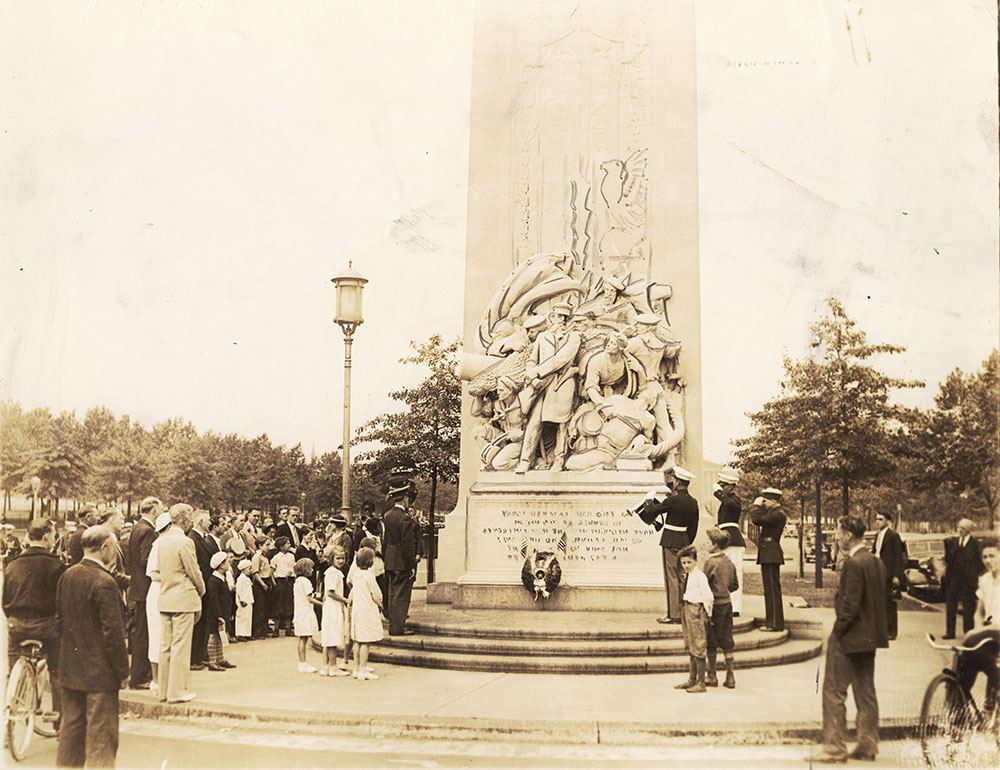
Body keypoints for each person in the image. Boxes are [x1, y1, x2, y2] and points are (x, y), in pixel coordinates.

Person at [814, 515, 889, 763]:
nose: (835, 537)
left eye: (837, 532)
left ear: (847, 535)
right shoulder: (875, 562)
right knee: (866, 693)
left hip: (848, 638)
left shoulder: (853, 564)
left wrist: (837, 631)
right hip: (869, 639)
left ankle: (834, 747)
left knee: (834, 692)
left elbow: (849, 605)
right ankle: (868, 745)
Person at [55, 525, 129, 768]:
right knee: (101, 736)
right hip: (100, 672)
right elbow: (113, 633)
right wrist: (122, 670)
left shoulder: (68, 575)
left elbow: (59, 622)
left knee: (71, 732)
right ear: (105, 548)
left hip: (71, 668)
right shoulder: (105, 582)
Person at [3, 518, 66, 718]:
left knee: (13, 666)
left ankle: (10, 712)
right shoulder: (56, 565)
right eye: (54, 535)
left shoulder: (12, 565)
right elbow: (61, 603)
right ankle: (58, 719)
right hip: (46, 626)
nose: (55, 539)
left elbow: (5, 601)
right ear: (47, 536)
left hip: (17, 625)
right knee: (57, 671)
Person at [516, 303, 583, 473]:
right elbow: (532, 359)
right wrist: (531, 373)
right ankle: (525, 460)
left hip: (563, 382)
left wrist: (537, 372)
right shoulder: (542, 337)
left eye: (565, 317)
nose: (561, 320)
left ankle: (559, 461)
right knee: (535, 422)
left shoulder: (573, 337)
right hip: (541, 385)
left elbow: (561, 359)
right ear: (551, 317)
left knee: (561, 423)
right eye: (558, 316)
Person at [156, 504, 205, 704]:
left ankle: (164, 690)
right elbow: (193, 571)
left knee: (165, 646)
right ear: (185, 520)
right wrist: (201, 590)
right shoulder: (185, 542)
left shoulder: (161, 541)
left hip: (166, 596)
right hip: (183, 599)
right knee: (180, 647)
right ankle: (177, 691)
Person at [640, 466, 699, 624]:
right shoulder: (693, 502)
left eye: (674, 481)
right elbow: (694, 526)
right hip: (684, 540)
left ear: (678, 482)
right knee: (682, 577)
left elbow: (652, 511)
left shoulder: (672, 500)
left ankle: (673, 615)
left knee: (671, 578)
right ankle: (683, 612)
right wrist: (687, 541)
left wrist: (648, 499)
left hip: (670, 540)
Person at [126, 496, 161, 690]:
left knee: (141, 632)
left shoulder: (137, 528)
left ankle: (140, 675)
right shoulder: (148, 531)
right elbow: (146, 560)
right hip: (146, 589)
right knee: (144, 634)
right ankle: (139, 677)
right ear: (154, 510)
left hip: (138, 588)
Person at [672, 545, 712, 694]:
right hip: (686, 609)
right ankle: (692, 679)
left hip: (696, 610)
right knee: (690, 645)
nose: (686, 565)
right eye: (684, 563)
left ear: (695, 561)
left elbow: (708, 596)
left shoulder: (700, 576)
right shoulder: (688, 576)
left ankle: (701, 682)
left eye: (689, 562)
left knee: (698, 645)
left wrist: (707, 614)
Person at [703, 527, 739, 689]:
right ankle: (730, 675)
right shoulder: (729, 563)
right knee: (727, 639)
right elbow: (735, 585)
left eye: (709, 542)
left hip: (713, 606)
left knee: (711, 640)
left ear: (715, 544)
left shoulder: (710, 563)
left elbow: (704, 586)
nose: (706, 544)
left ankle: (712, 675)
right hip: (727, 604)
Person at [383, 484, 419, 635]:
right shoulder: (405, 519)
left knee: (392, 593)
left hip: (390, 559)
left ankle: (393, 624)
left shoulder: (387, 515)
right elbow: (407, 544)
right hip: (401, 561)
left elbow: (386, 540)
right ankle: (398, 628)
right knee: (401, 595)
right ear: (405, 499)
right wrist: (411, 565)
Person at [749, 487, 787, 632]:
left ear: (773, 500)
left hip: (771, 553)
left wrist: (756, 505)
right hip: (768, 552)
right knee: (769, 590)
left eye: (765, 501)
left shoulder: (778, 514)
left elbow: (757, 519)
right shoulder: (774, 512)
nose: (763, 504)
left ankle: (775, 624)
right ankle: (772, 622)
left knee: (772, 590)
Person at [143, 512, 172, 696]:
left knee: (164, 636)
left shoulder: (164, 544)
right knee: (157, 636)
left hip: (165, 592)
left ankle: (164, 679)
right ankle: (155, 680)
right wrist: (175, 577)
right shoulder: (158, 545)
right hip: (157, 592)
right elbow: (153, 574)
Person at [943, 518, 984, 639]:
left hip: (968, 581)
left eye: (963, 528)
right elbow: (948, 559)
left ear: (969, 530)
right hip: (953, 580)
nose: (960, 530)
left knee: (968, 608)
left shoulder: (976, 544)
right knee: (950, 606)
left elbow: (979, 563)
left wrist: (974, 576)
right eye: (959, 527)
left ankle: (968, 633)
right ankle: (950, 632)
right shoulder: (953, 542)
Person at [712, 472, 745, 616]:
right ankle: (728, 604)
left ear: (731, 486)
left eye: (723, 485)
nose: (721, 488)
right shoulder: (726, 502)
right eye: (720, 485)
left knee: (735, 573)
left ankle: (736, 607)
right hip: (727, 539)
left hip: (734, 541)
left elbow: (729, 503)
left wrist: (718, 493)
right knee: (725, 573)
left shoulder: (735, 500)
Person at [349, 546, 384, 680]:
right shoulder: (369, 576)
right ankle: (363, 669)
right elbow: (375, 593)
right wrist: (380, 603)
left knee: (357, 639)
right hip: (367, 609)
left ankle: (356, 667)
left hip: (358, 609)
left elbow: (353, 592)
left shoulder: (356, 575)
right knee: (366, 640)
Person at [871, 510, 906, 641]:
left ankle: (891, 631)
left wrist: (896, 575)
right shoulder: (877, 535)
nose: (877, 521)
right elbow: (876, 552)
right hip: (877, 571)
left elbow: (898, 557)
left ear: (887, 521)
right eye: (876, 519)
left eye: (880, 519)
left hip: (888, 573)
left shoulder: (893, 536)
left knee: (889, 602)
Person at [320, 546, 351, 677]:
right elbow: (330, 593)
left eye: (343, 558)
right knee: (332, 637)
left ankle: (326, 666)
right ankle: (333, 667)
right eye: (338, 558)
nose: (341, 561)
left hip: (332, 606)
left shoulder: (334, 572)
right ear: (331, 559)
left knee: (329, 636)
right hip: (333, 607)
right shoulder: (333, 573)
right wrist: (346, 600)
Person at [204, 551, 235, 672]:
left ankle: (220, 659)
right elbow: (214, 600)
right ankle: (212, 661)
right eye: (227, 561)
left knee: (219, 636)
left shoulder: (221, 578)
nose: (229, 563)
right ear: (221, 565)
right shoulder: (213, 581)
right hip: (215, 614)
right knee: (214, 635)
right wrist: (219, 615)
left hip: (222, 612)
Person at [292, 557, 321, 673]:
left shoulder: (298, 581)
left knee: (302, 638)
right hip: (305, 612)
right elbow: (309, 598)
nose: (313, 570)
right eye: (311, 568)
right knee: (304, 638)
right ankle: (303, 663)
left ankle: (302, 662)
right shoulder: (305, 581)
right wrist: (322, 604)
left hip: (299, 611)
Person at [270, 536, 296, 636]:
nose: (289, 545)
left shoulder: (291, 556)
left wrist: (291, 573)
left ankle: (288, 628)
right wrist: (275, 583)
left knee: (289, 605)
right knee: (278, 605)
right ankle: (276, 629)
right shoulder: (276, 558)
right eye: (287, 543)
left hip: (289, 581)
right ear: (281, 547)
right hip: (280, 582)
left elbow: (293, 567)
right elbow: (271, 572)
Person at [234, 558, 254, 641]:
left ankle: (246, 633)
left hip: (248, 600)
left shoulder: (247, 578)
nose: (251, 571)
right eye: (249, 569)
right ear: (243, 570)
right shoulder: (241, 579)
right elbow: (239, 590)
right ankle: (240, 634)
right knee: (242, 618)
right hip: (244, 601)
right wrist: (242, 599)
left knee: (248, 618)